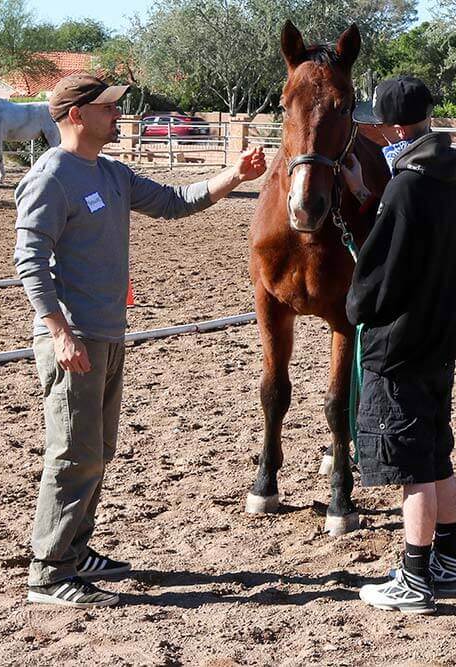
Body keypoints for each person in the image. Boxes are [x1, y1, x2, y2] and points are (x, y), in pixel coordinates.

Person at [14, 73, 267, 608]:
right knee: (72, 452)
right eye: (107, 109)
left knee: (97, 450)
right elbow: (29, 263)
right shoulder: (50, 177)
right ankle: (48, 571)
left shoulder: (111, 174)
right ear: (76, 115)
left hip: (106, 333)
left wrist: (232, 175)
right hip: (74, 338)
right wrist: (59, 331)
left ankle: (76, 550)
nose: (117, 117)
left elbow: (176, 201)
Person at [341, 75, 456, 614]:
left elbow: (383, 271)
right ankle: (449, 561)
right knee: (437, 451)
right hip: (443, 336)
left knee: (411, 466)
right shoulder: (451, 174)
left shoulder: (406, 186)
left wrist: (358, 306)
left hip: (401, 343)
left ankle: (415, 576)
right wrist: (363, 193)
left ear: (396, 126)